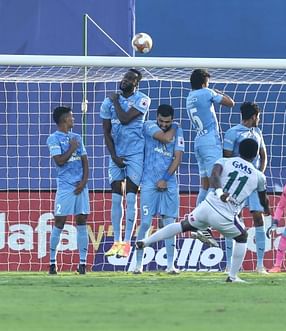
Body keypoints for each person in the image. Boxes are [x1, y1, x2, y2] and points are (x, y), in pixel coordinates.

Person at [136, 138, 270, 283]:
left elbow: (214, 176)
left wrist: (219, 192)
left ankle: (146, 241)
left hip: (207, 206)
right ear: (256, 155)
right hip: (225, 216)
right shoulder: (259, 176)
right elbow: (263, 199)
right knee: (242, 237)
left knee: (182, 225)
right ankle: (232, 276)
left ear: (239, 150)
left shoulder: (224, 161)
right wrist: (267, 209)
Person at [100, 69, 151, 258]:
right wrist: (113, 155)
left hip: (135, 154)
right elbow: (106, 131)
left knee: (130, 197)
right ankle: (116, 242)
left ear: (136, 84)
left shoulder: (143, 99)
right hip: (116, 154)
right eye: (125, 77)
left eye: (131, 79)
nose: (125, 81)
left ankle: (128, 243)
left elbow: (125, 118)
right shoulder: (107, 102)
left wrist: (115, 100)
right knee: (115, 198)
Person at [133, 105, 184, 274]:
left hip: (169, 184)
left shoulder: (179, 130)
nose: (163, 124)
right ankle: (138, 264)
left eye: (168, 122)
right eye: (161, 121)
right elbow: (165, 139)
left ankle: (170, 265)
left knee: (169, 224)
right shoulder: (148, 125)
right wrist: (174, 127)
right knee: (146, 223)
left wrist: (166, 179)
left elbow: (178, 157)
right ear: (156, 117)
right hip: (148, 183)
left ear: (172, 119)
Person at [223, 102, 268, 274]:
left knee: (258, 218)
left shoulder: (257, 132)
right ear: (254, 117)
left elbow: (263, 156)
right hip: (237, 184)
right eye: (259, 116)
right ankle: (230, 264)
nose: (259, 119)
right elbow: (226, 160)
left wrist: (258, 176)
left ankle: (260, 265)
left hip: (254, 183)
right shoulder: (232, 133)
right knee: (233, 220)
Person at [46, 106, 89, 275]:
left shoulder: (77, 137)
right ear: (64, 119)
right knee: (60, 222)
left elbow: (85, 160)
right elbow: (60, 161)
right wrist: (71, 148)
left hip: (81, 186)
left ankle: (83, 264)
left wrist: (84, 182)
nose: (74, 119)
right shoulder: (53, 139)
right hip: (65, 186)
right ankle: (52, 263)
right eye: (71, 116)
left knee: (82, 220)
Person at [186, 68, 235, 206]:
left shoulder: (189, 97)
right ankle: (203, 220)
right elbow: (231, 103)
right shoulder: (207, 92)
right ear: (204, 83)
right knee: (215, 183)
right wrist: (217, 92)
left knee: (205, 185)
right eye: (207, 83)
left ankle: (196, 223)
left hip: (199, 142)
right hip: (210, 142)